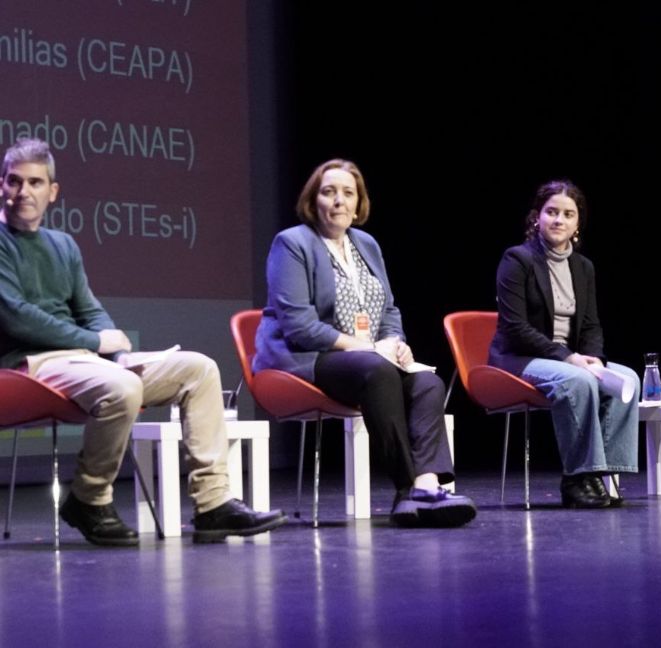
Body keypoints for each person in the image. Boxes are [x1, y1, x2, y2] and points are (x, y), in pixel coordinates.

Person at [0, 138, 287, 545]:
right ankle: (89, 498)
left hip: (83, 362)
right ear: (1, 185)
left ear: (53, 191)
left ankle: (213, 504)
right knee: (123, 387)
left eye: (35, 182)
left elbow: (89, 308)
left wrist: (118, 353)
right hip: (29, 365)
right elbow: (16, 317)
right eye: (14, 181)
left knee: (199, 370)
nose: (23, 191)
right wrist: (96, 341)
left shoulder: (63, 245)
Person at [253, 159, 476, 527]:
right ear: (313, 200)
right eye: (329, 192)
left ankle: (426, 485)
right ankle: (407, 487)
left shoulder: (366, 244)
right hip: (305, 357)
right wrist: (369, 348)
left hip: (366, 358)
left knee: (427, 382)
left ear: (359, 204)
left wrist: (394, 341)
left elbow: (388, 309)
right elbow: (298, 325)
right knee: (376, 370)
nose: (339, 201)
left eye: (348, 193)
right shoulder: (293, 243)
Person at [488, 180, 639, 508]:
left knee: (627, 378)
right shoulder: (517, 259)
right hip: (520, 357)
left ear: (577, 222)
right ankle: (577, 477)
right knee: (578, 380)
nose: (559, 220)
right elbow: (515, 327)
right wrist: (568, 358)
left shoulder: (583, 267)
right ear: (537, 217)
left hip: (570, 358)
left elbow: (591, 324)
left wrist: (595, 358)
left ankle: (606, 476)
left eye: (568, 214)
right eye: (551, 212)